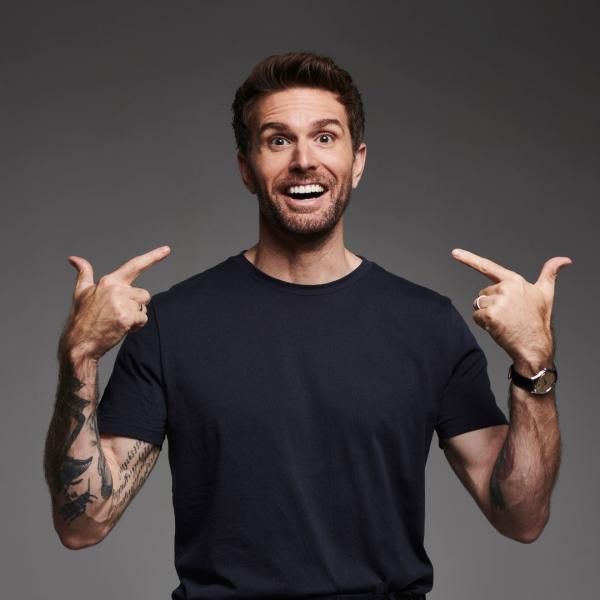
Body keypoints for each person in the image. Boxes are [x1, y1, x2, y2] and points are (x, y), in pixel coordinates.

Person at [44, 52, 571, 599]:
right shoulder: (171, 325)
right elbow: (84, 523)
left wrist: (534, 363)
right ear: (247, 168)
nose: (303, 160)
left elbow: (522, 518)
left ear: (357, 161)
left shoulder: (428, 325)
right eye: (277, 140)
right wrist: (79, 355)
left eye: (325, 137)